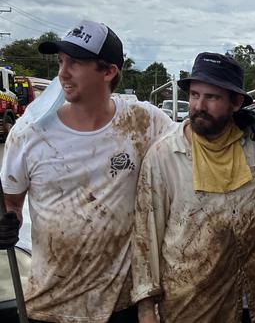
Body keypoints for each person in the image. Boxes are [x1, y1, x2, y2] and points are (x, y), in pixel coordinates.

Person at [129, 52, 255, 323]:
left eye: (211, 97)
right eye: (194, 95)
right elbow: (146, 235)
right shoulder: (165, 155)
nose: (199, 105)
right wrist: (145, 309)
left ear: (236, 103)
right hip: (191, 306)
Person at [0, 20, 176, 323]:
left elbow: (193, 142)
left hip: (120, 306)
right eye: (61, 61)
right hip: (50, 304)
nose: (62, 73)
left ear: (108, 72)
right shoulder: (29, 133)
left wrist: (253, 125)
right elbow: (11, 204)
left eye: (76, 63)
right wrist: (7, 223)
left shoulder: (142, 122)